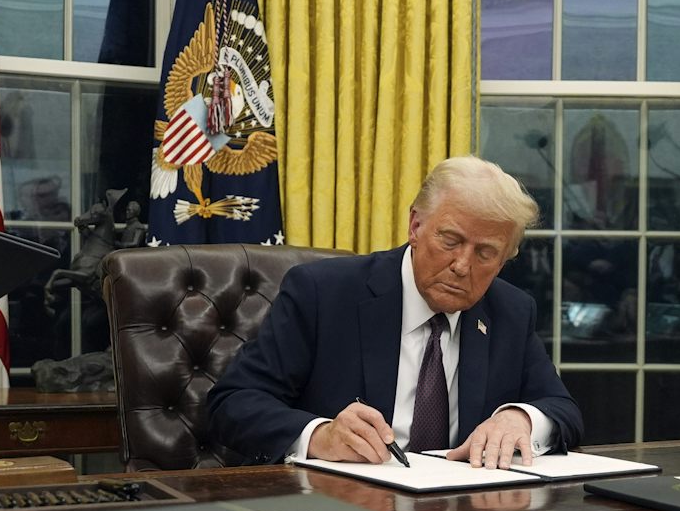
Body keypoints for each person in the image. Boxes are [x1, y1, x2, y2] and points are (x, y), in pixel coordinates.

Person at [207, 156, 583, 467]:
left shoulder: (510, 311)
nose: (462, 265)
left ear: (504, 260)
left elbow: (562, 408)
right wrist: (321, 435)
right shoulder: (323, 293)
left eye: (485, 253)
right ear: (415, 226)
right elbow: (234, 402)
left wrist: (520, 418)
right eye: (450, 241)